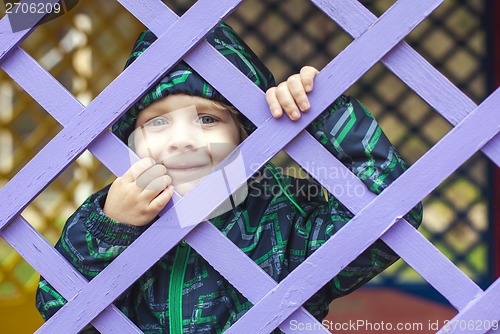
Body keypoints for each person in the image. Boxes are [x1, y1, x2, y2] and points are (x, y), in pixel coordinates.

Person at [36, 23, 422, 333]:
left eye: (208, 118)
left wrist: (315, 111)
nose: (182, 140)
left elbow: (387, 216)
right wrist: (110, 228)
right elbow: (57, 307)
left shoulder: (281, 217)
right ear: (129, 140)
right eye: (157, 122)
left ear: (244, 133)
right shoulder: (113, 216)